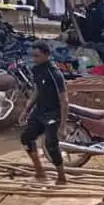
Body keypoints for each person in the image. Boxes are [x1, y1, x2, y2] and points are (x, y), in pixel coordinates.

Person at [19, 41, 68, 185]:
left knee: (51, 145)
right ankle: (39, 171)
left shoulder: (55, 74)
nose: (34, 59)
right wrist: (26, 110)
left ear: (46, 55)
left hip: (53, 113)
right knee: (26, 138)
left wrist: (63, 126)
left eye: (37, 56)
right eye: (33, 56)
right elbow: (37, 91)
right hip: (39, 111)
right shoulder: (36, 69)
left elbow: (64, 100)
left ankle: (61, 176)